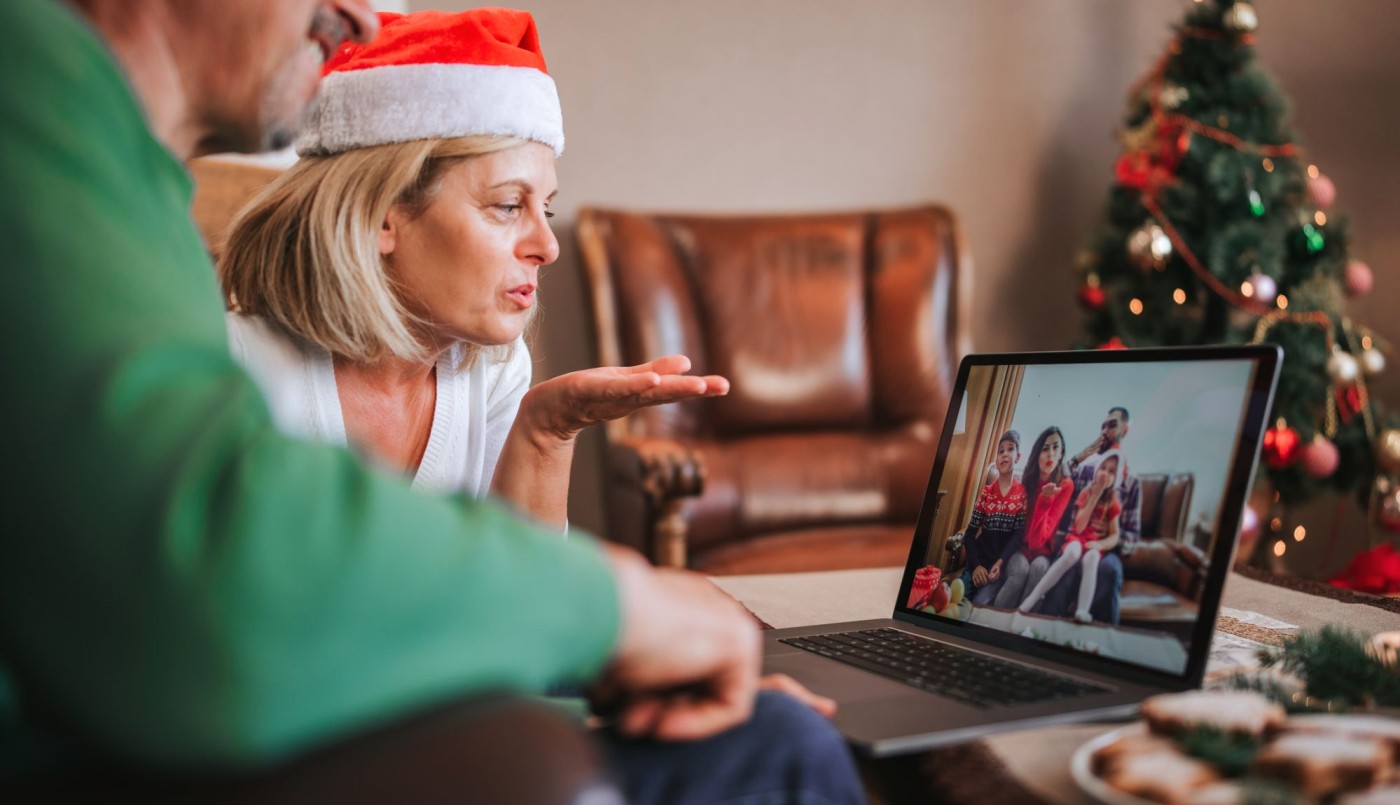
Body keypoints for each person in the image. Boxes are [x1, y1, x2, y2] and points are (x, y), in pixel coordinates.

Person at [0, 3, 864, 802]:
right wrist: (620, 604)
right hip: (256, 721)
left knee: (763, 718)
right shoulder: (48, 108)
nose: (544, 246)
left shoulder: (489, 368)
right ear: (385, 217)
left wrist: (541, 435)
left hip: (316, 698)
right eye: (505, 206)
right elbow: (237, 590)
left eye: (545, 208)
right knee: (782, 743)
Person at [1038, 406, 1143, 624]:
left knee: (1110, 571)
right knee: (1067, 561)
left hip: (1104, 549)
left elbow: (1132, 539)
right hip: (1075, 541)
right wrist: (1081, 455)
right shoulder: (1085, 471)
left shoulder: (1132, 483)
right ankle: (1043, 632)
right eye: (1102, 426)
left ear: (1125, 430)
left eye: (1112, 425)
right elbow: (1056, 477)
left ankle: (1097, 644)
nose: (1105, 431)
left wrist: (1110, 538)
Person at [1016, 450, 1124, 621]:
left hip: (1094, 543)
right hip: (1076, 537)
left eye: (1111, 471)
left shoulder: (1113, 501)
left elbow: (1114, 535)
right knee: (1072, 553)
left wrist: (1100, 545)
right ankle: (1031, 600)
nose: (1105, 473)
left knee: (1092, 558)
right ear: (1096, 471)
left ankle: (1082, 611)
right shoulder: (1086, 493)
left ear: (1116, 478)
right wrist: (1095, 495)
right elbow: (1079, 527)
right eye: (1103, 468)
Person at [976, 426, 1074, 609]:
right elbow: (1026, 536)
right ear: (1037, 454)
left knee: (1039, 569)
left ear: (1061, 453)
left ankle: (1020, 627)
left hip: (1044, 552)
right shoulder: (1027, 482)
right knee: (1020, 570)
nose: (1050, 454)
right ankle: (994, 623)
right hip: (1020, 549)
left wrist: (1045, 501)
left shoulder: (1065, 485)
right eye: (1045, 449)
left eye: (1055, 448)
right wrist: (1043, 500)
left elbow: (1038, 542)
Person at [958, 430, 1027, 601]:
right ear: (996, 460)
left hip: (997, 570)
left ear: (1018, 457)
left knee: (979, 606)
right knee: (957, 599)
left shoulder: (1022, 494)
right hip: (977, 564)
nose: (1004, 454)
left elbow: (1018, 536)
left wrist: (1001, 562)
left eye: (1010, 449)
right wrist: (975, 567)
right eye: (1001, 451)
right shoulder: (987, 493)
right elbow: (970, 534)